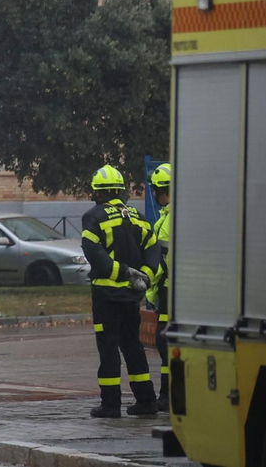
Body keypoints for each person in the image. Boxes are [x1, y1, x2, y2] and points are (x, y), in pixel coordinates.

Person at [81, 164, 160, 418]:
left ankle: (110, 404)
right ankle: (146, 401)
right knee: (133, 345)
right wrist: (144, 275)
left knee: (108, 348)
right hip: (132, 297)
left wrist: (122, 272)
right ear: (120, 190)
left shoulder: (94, 217)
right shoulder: (137, 216)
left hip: (106, 297)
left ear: (98, 192)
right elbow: (153, 249)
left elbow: (94, 253)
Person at [145, 162, 173, 412]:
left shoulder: (172, 218)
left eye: (155, 189)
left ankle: (169, 395)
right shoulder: (168, 216)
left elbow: (164, 261)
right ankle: (167, 395)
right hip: (169, 290)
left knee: (166, 341)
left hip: (173, 292)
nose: (154, 194)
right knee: (165, 341)